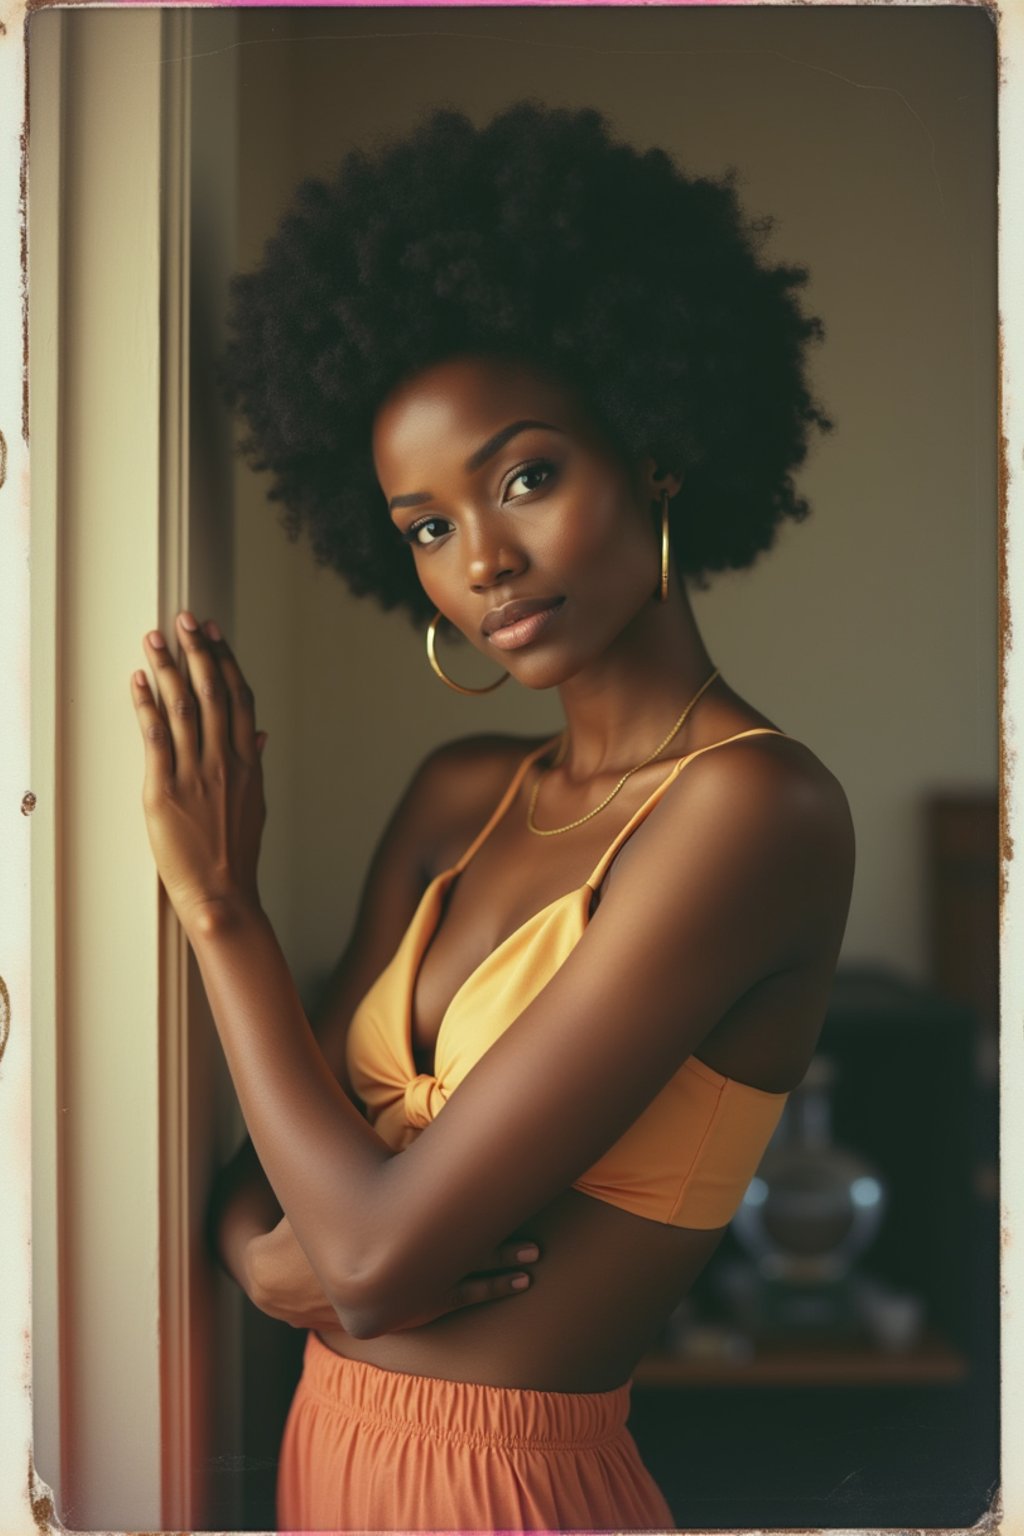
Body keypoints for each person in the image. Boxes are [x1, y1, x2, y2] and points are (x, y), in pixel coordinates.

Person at [131, 100, 855, 1531]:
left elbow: (381, 1257)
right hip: (324, 1458)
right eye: (428, 527)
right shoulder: (463, 795)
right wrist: (253, 1254)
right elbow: (284, 1165)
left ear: (652, 447)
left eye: (527, 475)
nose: (485, 563)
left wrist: (223, 911)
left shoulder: (757, 814)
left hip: (513, 1492)